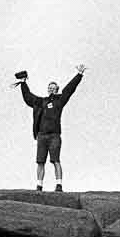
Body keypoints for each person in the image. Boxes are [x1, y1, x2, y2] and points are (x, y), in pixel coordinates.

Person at [15, 64, 85, 192]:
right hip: (41, 136)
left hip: (54, 136)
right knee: (40, 162)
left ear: (57, 89)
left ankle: (59, 185)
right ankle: (39, 185)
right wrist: (23, 83)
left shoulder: (60, 101)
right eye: (49, 87)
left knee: (55, 160)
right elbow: (29, 97)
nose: (51, 89)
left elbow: (69, 89)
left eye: (54, 88)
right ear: (47, 89)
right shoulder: (41, 102)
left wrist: (79, 75)